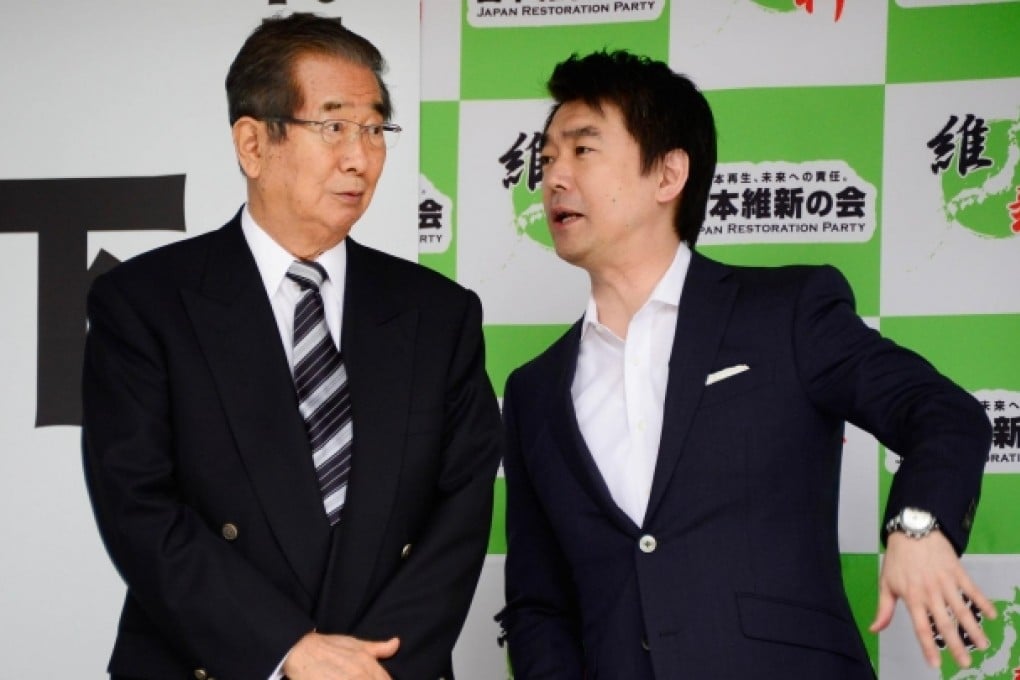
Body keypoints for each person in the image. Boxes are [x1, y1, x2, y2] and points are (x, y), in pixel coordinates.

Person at [496, 49, 995, 679]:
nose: (554, 178)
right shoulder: (534, 390)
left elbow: (943, 413)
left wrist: (918, 527)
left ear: (668, 173)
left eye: (582, 150)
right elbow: (539, 605)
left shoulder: (785, 312)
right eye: (546, 160)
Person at [82, 13, 502, 680]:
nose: (360, 157)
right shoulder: (146, 304)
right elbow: (139, 505)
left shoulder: (436, 313)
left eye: (374, 129)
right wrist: (287, 649)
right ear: (253, 143)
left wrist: (371, 665)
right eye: (333, 126)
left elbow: (461, 509)